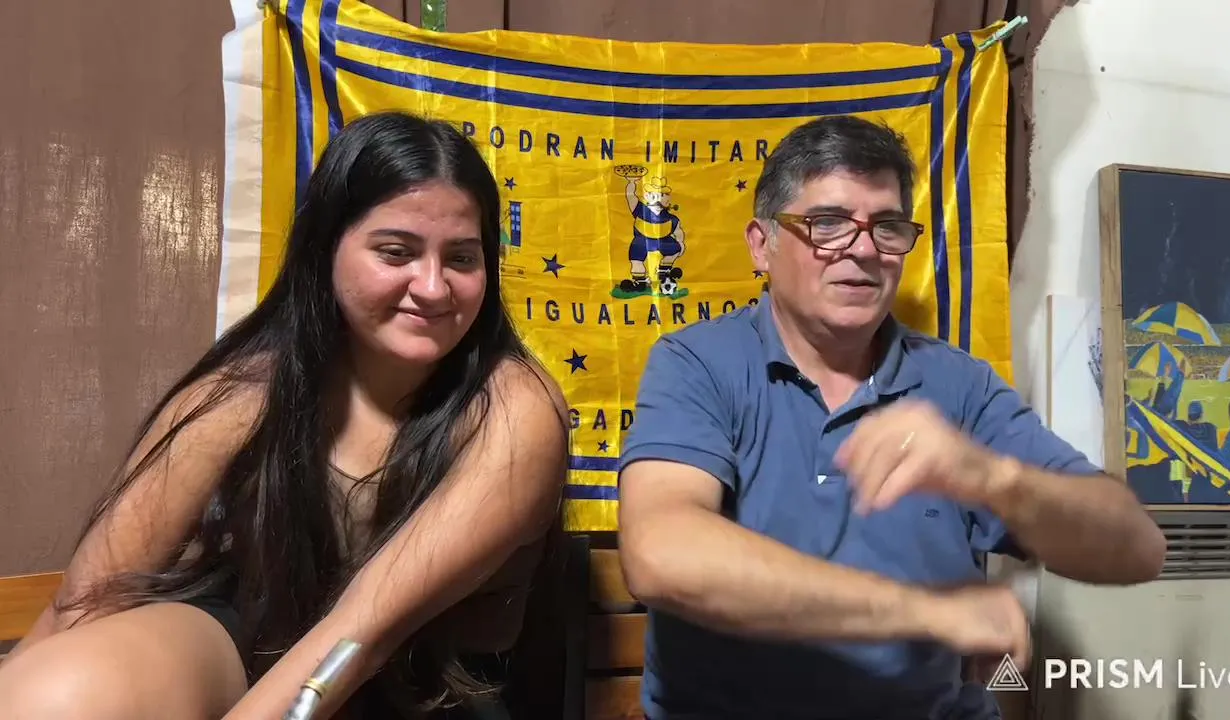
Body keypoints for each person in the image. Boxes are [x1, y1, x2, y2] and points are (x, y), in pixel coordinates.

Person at [0, 111, 569, 719]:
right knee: (63, 688)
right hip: (252, 650)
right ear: (327, 249)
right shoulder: (249, 386)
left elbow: (360, 634)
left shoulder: (516, 408)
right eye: (396, 252)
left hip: (422, 686)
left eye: (461, 259)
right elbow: (85, 603)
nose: (432, 286)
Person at [617, 115, 1166, 720]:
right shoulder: (698, 363)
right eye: (827, 223)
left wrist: (996, 479)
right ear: (761, 244)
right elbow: (660, 551)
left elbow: (1138, 547)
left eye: (887, 227)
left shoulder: (960, 385)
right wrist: (922, 612)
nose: (862, 250)